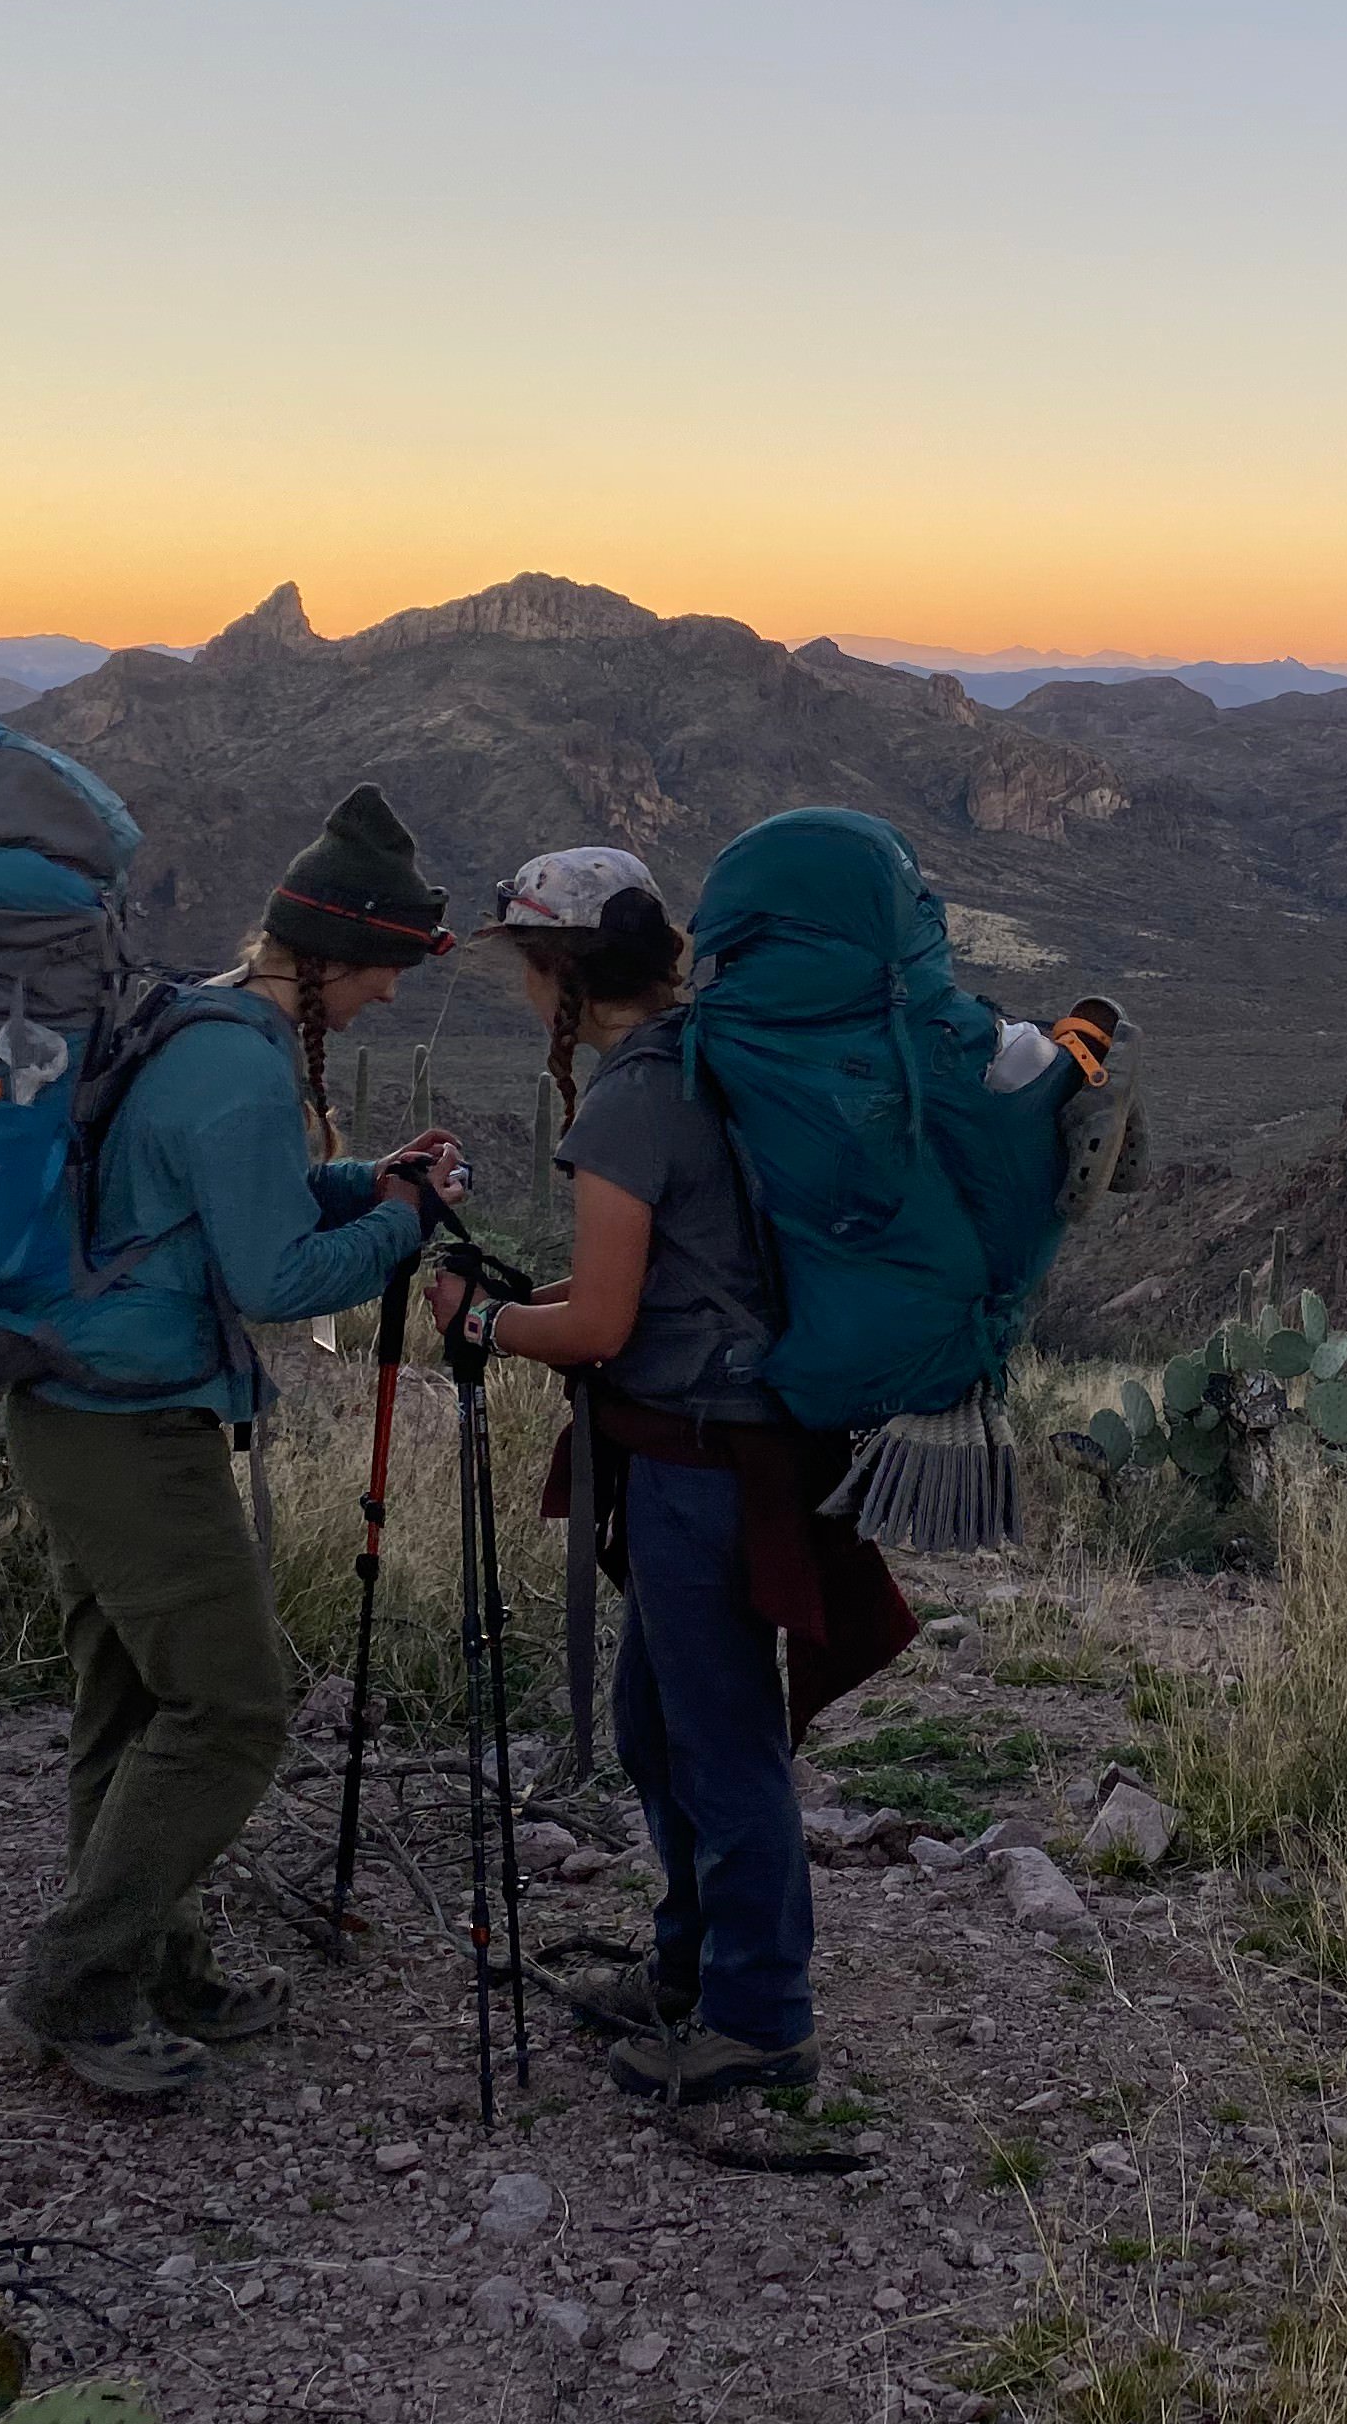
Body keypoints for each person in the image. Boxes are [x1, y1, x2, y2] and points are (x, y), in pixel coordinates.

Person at [0, 783, 469, 2101]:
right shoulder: (240, 1073)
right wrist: (404, 1228)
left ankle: (156, 1958)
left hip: (72, 1400)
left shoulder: (204, 1018)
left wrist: (368, 1182)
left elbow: (218, 1201)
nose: (389, 997)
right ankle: (80, 1983)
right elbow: (271, 1278)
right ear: (325, 956)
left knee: (136, 1701)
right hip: (130, 1423)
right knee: (235, 1707)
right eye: (384, 969)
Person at [432, 845, 915, 2105]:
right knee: (661, 1729)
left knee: (717, 1743)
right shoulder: (715, 1064)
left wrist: (477, 1324)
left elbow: (596, 1328)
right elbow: (648, 1293)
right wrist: (524, 1305)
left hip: (700, 1462)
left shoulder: (633, 1105)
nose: (525, 998)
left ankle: (759, 2017)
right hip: (734, 1446)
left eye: (530, 973)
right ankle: (692, 1967)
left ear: (566, 977)